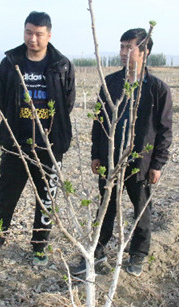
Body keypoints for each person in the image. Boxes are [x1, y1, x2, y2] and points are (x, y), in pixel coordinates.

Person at [0, 11, 76, 268]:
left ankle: (39, 247)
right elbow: (2, 98)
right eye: (28, 32)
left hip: (49, 146)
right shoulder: (11, 62)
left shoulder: (61, 65)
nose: (33, 39)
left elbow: (67, 102)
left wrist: (51, 131)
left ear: (49, 35)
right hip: (16, 143)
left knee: (46, 198)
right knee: (6, 195)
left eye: (39, 34)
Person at [71, 28, 173, 277]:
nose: (124, 53)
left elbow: (164, 129)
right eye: (122, 47)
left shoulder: (157, 89)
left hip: (141, 161)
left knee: (141, 209)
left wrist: (157, 163)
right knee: (105, 208)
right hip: (110, 159)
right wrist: (97, 153)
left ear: (145, 52)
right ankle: (97, 252)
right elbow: (99, 122)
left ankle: (137, 254)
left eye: (130, 47)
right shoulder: (111, 83)